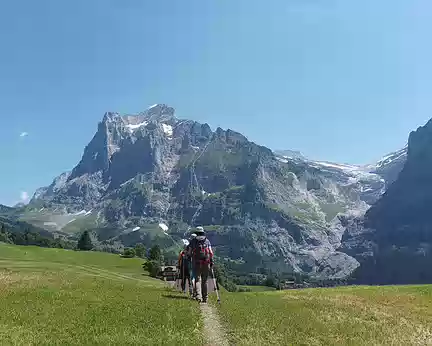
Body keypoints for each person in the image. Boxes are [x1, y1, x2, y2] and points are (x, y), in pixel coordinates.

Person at [188, 226, 214, 303]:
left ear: (196, 233)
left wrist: (189, 256)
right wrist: (211, 261)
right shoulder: (207, 241)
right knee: (204, 281)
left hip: (196, 263)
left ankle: (198, 296)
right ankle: (205, 298)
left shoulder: (193, 241)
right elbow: (211, 253)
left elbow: (189, 252)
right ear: (203, 232)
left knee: (197, 280)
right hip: (206, 263)